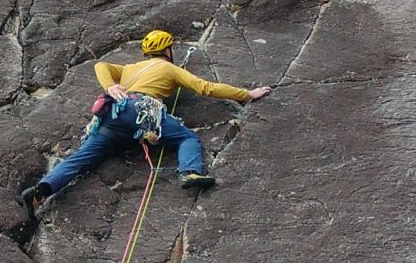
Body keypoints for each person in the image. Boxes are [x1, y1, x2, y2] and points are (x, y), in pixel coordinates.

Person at [21, 29, 269, 209]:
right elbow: (205, 87)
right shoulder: (169, 68)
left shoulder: (130, 68)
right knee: (186, 138)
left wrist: (110, 87)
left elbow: (101, 65)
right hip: (142, 111)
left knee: (83, 158)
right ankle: (190, 172)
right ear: (167, 50)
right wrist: (246, 94)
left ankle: (42, 191)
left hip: (111, 116)